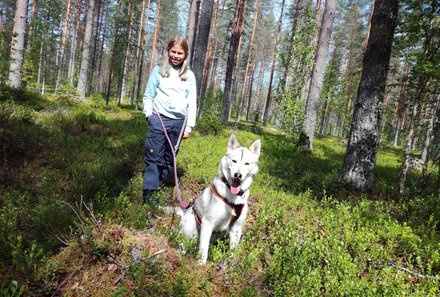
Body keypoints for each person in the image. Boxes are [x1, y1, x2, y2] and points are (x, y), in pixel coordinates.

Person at [142, 35, 197, 204]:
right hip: (158, 119)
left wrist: (189, 127)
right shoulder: (158, 70)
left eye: (180, 53)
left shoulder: (189, 76)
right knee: (153, 155)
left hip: (178, 123)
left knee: (170, 156)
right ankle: (149, 194)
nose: (176, 56)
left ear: (185, 55)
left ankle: (165, 183)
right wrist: (149, 115)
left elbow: (192, 102)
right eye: (173, 51)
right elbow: (148, 95)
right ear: (168, 51)